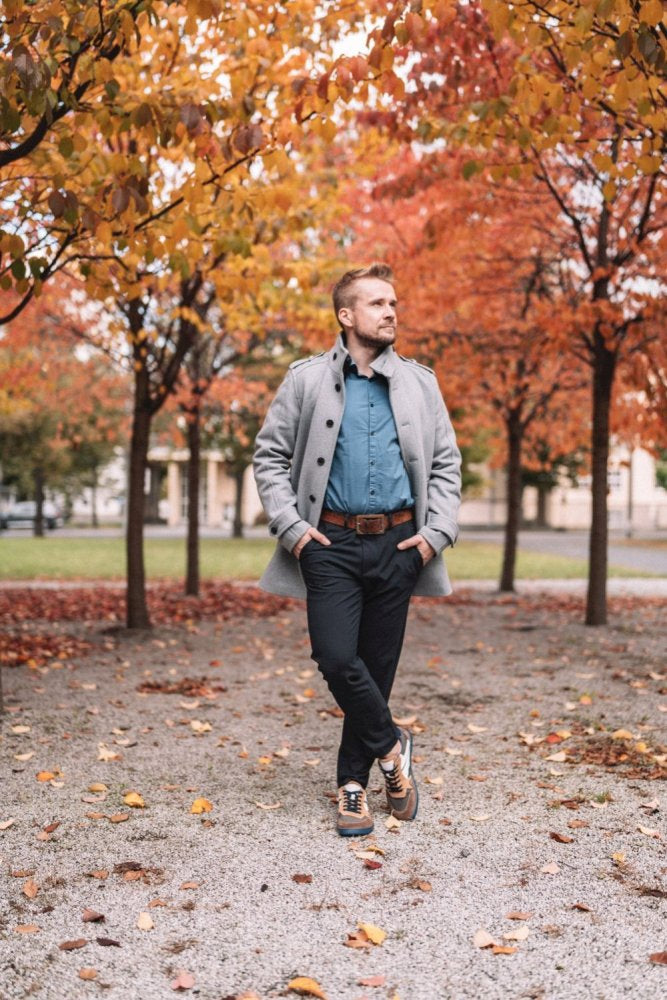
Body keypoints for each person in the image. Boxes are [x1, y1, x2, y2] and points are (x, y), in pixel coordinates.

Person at [253, 263, 461, 837]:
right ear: (346, 316)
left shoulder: (422, 382)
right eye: (376, 303)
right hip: (328, 544)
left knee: (376, 668)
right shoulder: (305, 380)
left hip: (400, 544)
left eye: (394, 302)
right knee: (336, 657)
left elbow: (446, 463)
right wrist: (292, 528)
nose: (391, 311)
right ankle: (393, 747)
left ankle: (353, 786)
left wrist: (435, 533)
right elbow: (268, 457)